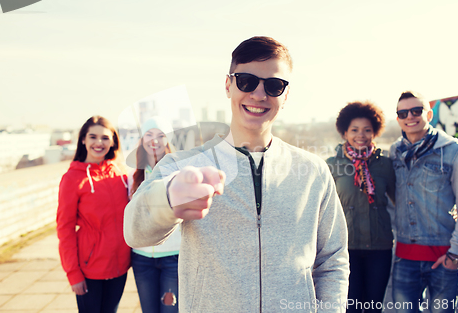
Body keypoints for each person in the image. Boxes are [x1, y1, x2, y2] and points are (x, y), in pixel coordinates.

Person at [124, 36, 349, 312]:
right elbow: (134, 232)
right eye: (246, 81)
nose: (258, 94)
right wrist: (168, 199)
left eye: (274, 85)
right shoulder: (183, 166)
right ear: (228, 85)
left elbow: (333, 259)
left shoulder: (314, 172)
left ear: (286, 95)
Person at [389, 91, 458, 313]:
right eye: (403, 112)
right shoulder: (395, 152)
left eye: (416, 111)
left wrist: (455, 253)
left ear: (428, 113)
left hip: (443, 257)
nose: (410, 116)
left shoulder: (454, 151)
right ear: (398, 118)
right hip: (404, 258)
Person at [57, 116, 131, 313]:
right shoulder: (72, 178)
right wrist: (73, 274)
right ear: (83, 140)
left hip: (120, 267)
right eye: (93, 137)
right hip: (89, 269)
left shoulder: (121, 173)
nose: (99, 143)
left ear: (113, 141)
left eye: (105, 138)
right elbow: (65, 228)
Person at [326, 101, 395, 313]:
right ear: (345, 132)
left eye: (367, 130)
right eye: (354, 130)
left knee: (374, 308)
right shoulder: (331, 165)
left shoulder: (385, 164)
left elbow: (401, 199)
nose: (361, 135)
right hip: (345, 248)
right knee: (351, 308)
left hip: (380, 247)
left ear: (375, 132)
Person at [127, 116, 180, 313]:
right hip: (142, 259)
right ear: (141, 140)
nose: (154, 140)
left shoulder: (178, 171)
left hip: (172, 258)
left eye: (161, 135)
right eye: (149, 134)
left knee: (170, 311)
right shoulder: (131, 175)